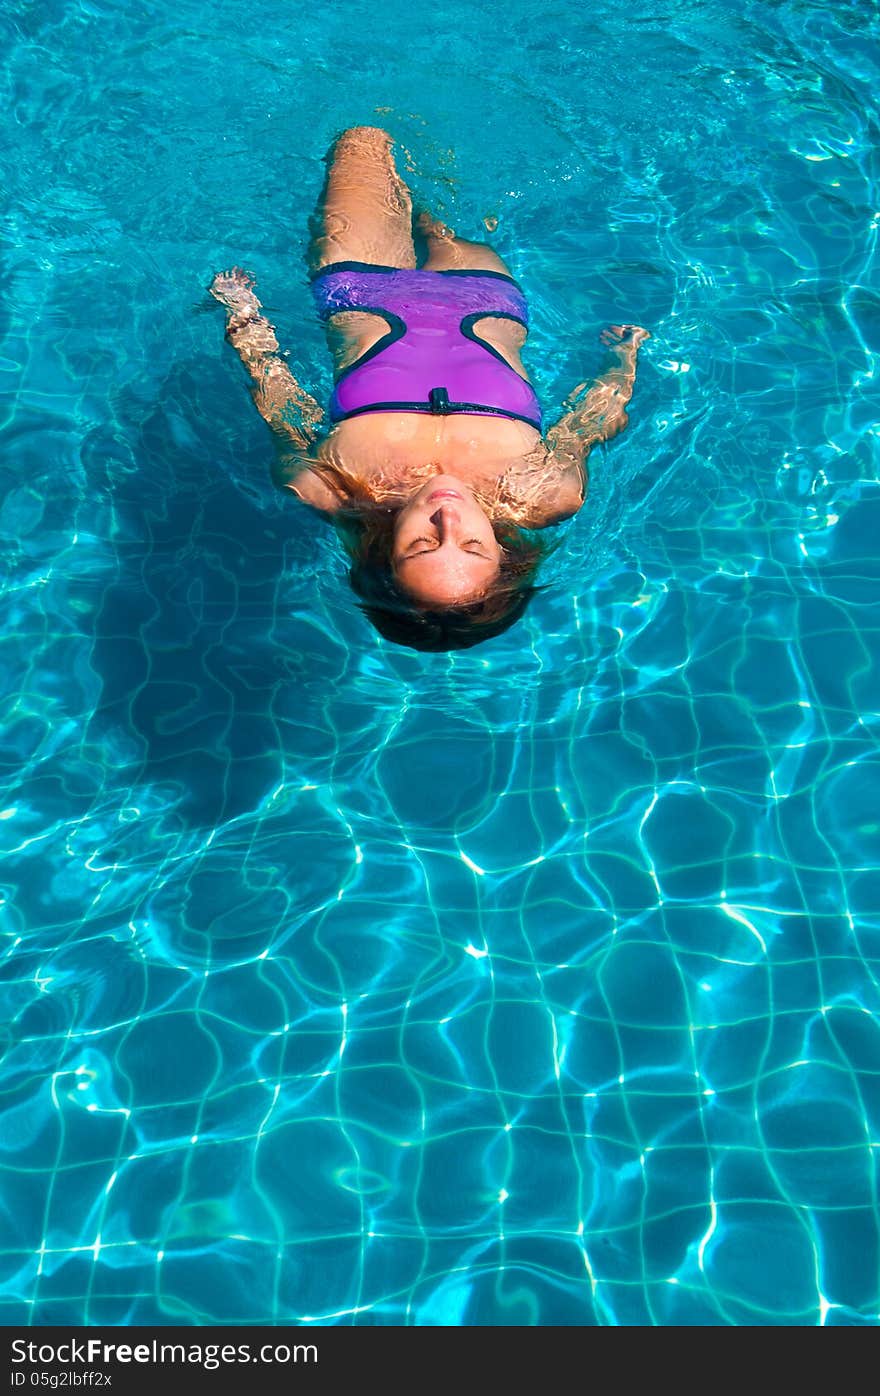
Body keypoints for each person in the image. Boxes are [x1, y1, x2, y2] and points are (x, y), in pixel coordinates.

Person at [210, 126, 649, 651]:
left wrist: (244, 318)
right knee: (441, 210)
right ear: (503, 553)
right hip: (484, 295)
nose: (447, 515)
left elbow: (279, 399)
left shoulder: (328, 488)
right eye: (471, 544)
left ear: (383, 554)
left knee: (363, 139)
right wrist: (623, 360)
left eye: (422, 544)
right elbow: (586, 424)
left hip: (360, 284)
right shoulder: (548, 496)